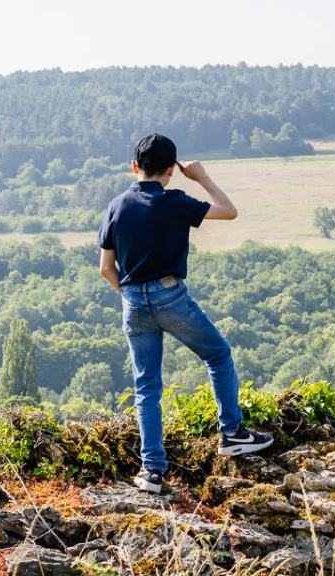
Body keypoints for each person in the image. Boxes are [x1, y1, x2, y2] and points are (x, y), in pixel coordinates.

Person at [98, 133, 273, 493]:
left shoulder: (117, 205)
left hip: (131, 300)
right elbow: (229, 211)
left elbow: (105, 268)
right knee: (218, 355)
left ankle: (152, 473)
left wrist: (133, 295)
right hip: (170, 296)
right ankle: (232, 433)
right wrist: (203, 178)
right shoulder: (176, 201)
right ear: (171, 171)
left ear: (134, 167)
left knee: (147, 386)